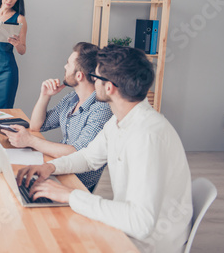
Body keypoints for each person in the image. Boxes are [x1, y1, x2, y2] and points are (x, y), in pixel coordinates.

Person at [17, 45, 192, 253]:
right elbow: (89, 157)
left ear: (109, 88)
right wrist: (51, 168)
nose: (92, 81)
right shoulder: (121, 120)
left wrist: (69, 195)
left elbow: (141, 224)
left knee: (49, 238)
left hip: (148, 243)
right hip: (129, 225)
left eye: (95, 77)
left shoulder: (147, 136)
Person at [3, 42, 112, 192]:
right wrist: (45, 96)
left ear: (79, 75)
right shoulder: (72, 98)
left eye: (68, 64)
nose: (65, 67)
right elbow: (37, 126)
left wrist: (29, 140)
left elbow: (78, 153)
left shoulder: (101, 109)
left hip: (76, 182)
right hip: (58, 167)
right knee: (11, 179)